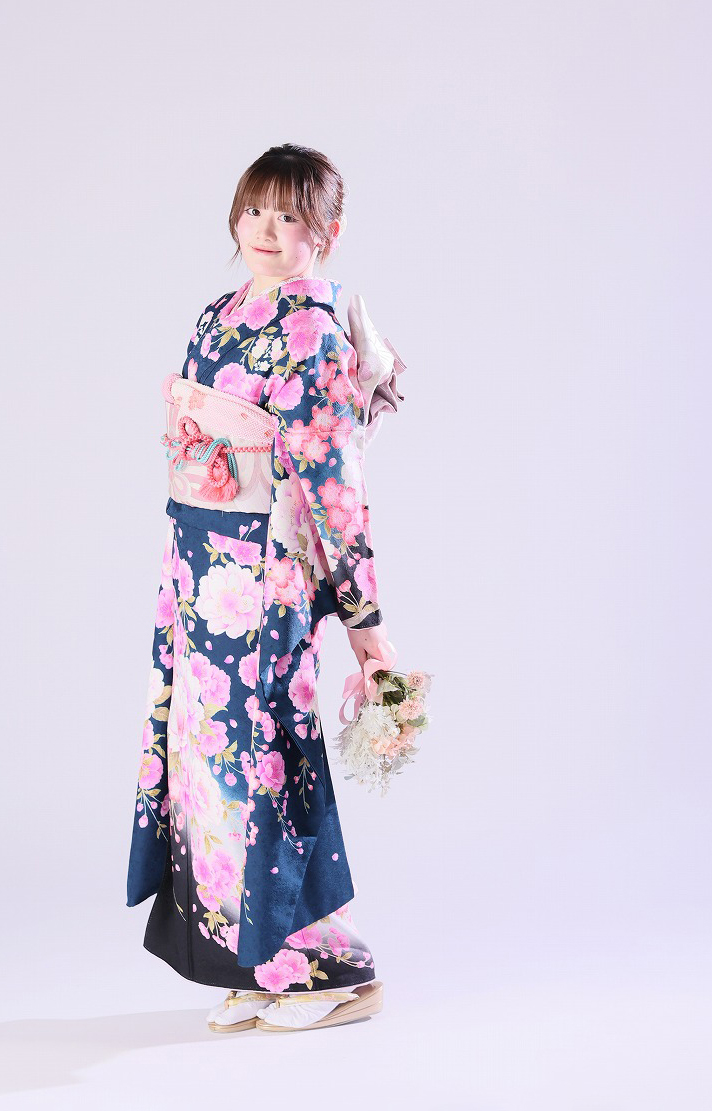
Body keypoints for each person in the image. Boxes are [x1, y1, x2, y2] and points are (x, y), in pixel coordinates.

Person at [126, 144, 395, 1033]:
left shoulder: (315, 331)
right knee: (206, 756)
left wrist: (362, 616)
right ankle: (253, 960)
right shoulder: (218, 315)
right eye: (254, 210)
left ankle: (324, 967)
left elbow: (333, 480)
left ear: (329, 232)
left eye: (290, 215)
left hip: (267, 569)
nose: (267, 230)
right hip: (199, 561)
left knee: (267, 751)